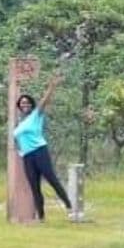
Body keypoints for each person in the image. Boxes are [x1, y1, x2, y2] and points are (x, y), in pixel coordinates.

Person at [13, 68, 74, 221]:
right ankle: (41, 217)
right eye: (22, 103)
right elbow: (17, 139)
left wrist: (52, 86)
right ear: (19, 107)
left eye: (27, 102)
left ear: (31, 105)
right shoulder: (19, 124)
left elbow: (45, 100)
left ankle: (69, 207)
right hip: (27, 156)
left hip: (40, 151)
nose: (24, 104)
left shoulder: (36, 115)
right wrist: (20, 151)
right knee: (34, 186)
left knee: (52, 179)